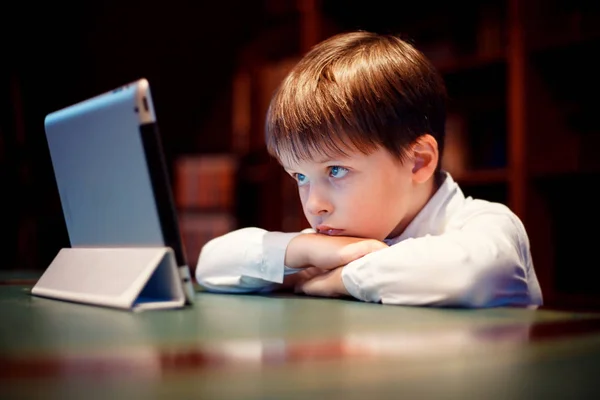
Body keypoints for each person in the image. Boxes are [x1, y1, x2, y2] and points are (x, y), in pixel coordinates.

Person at [195, 30, 543, 308]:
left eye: (336, 170)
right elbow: (211, 264)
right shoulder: (335, 241)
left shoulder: (488, 223)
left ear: (418, 161)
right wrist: (298, 252)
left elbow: (473, 274)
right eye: (300, 176)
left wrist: (341, 279)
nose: (314, 205)